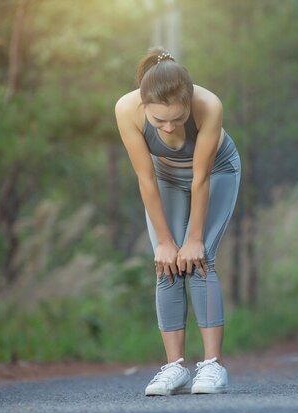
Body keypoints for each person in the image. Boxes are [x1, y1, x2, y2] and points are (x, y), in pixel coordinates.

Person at [114, 47, 241, 395]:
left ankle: (213, 367)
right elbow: (146, 180)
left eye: (176, 117)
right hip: (165, 179)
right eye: (159, 122)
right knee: (166, 263)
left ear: (188, 99)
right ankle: (174, 368)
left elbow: (201, 178)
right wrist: (167, 242)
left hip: (216, 173)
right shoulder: (126, 109)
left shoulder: (209, 105)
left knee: (199, 259)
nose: (168, 127)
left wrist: (193, 239)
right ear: (144, 106)